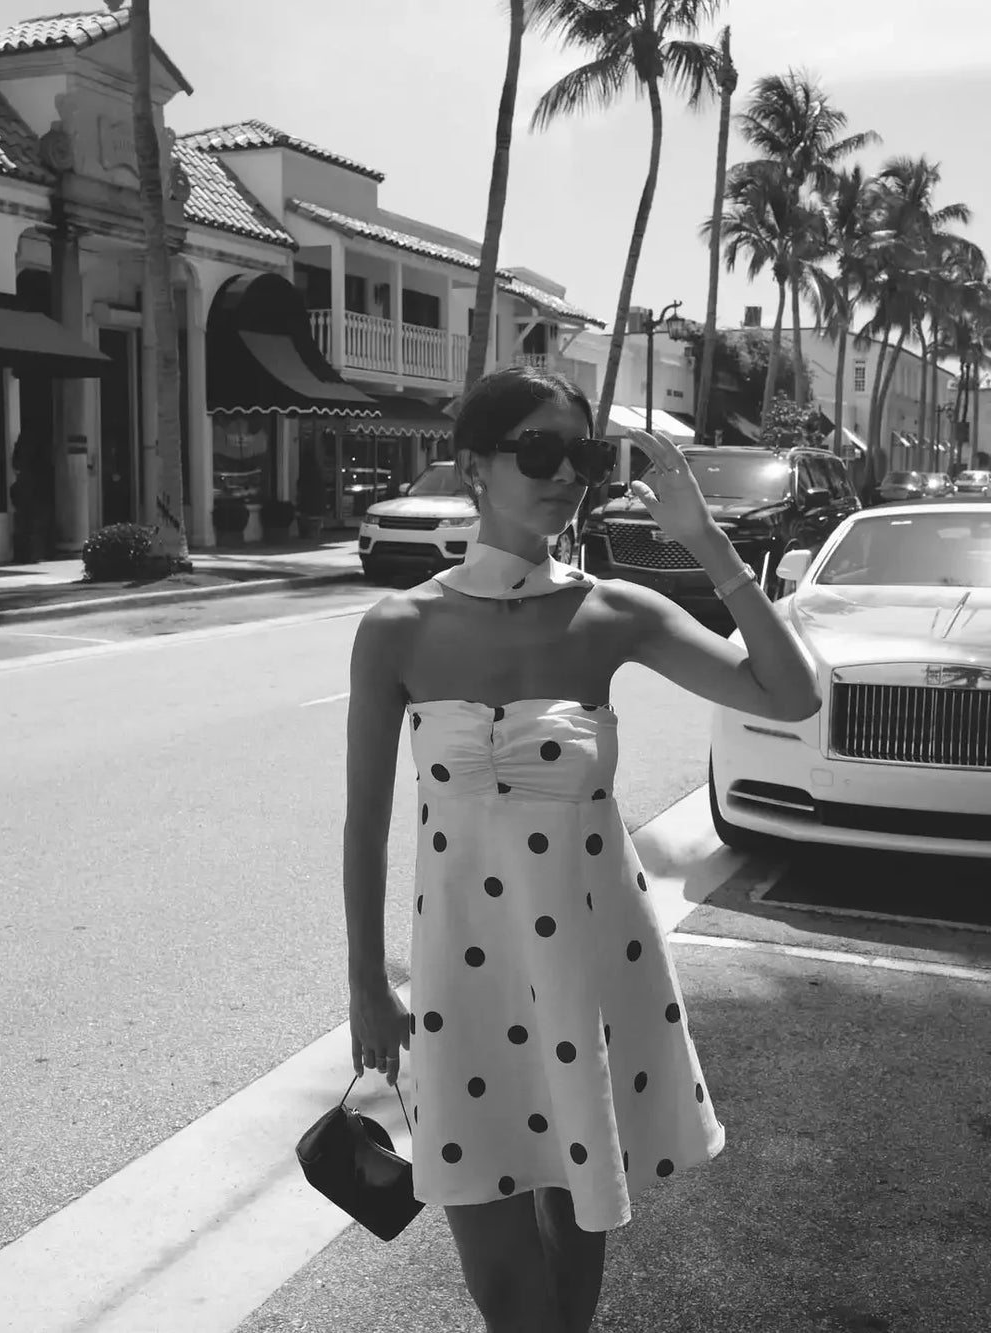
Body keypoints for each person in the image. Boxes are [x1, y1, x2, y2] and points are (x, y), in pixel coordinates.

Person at [344, 367, 821, 1333]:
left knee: (572, 1249)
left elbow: (789, 693)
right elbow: (363, 822)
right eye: (539, 450)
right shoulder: (398, 627)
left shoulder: (613, 612)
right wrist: (365, 983)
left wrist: (706, 542)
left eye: (583, 454)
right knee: (502, 1280)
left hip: (585, 969)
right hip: (461, 977)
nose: (566, 473)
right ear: (473, 467)